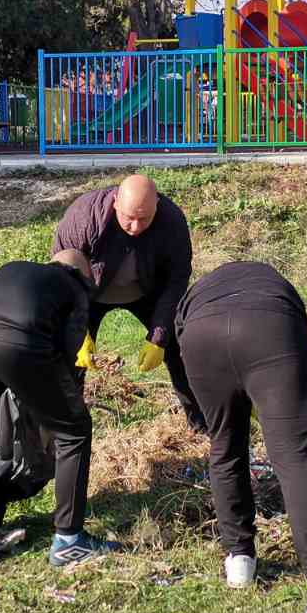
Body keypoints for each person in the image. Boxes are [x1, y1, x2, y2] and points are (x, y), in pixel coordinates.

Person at [174, 261, 307, 613]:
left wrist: (201, 412)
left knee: (224, 445)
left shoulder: (198, 294)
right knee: (295, 462)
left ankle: (239, 560)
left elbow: (180, 353)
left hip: (200, 335)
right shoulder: (279, 293)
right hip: (269, 331)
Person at [0, 249, 119, 570]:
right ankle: (69, 540)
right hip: (19, 342)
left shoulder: (13, 269)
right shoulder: (74, 287)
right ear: (85, 276)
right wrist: (58, 407)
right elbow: (66, 360)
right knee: (74, 431)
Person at [54, 175, 204, 429]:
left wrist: (160, 336)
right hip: (91, 294)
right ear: (115, 202)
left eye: (144, 218)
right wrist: (76, 328)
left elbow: (176, 280)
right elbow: (63, 275)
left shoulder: (172, 221)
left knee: (179, 348)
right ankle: (68, 428)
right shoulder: (83, 216)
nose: (135, 226)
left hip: (147, 292)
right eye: (129, 218)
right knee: (70, 355)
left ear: (157, 204)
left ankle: (200, 422)